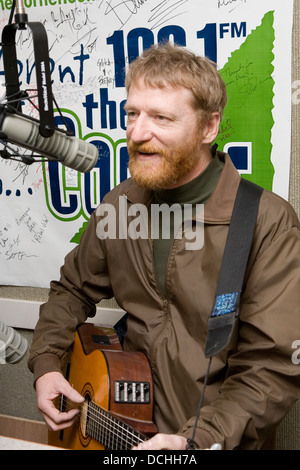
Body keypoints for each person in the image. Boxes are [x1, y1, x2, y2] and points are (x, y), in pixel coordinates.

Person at [28, 42, 300, 450]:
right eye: (132, 114)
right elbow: (71, 290)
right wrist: (46, 365)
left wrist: (197, 440)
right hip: (119, 431)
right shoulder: (120, 205)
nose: (137, 133)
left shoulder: (267, 222)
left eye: (160, 117)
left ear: (209, 127)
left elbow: (270, 368)